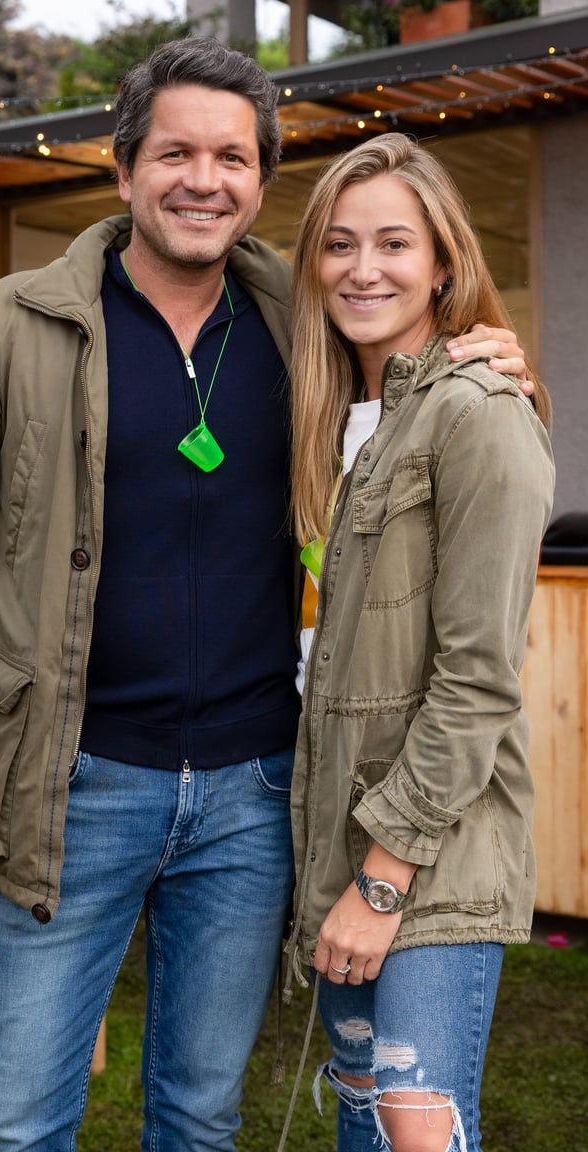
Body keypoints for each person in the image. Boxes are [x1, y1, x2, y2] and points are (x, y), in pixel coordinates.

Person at [0, 38, 531, 1152]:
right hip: (69, 786)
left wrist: (477, 356)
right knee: (18, 1126)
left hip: (255, 795)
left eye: (232, 158)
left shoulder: (303, 323)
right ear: (125, 168)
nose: (202, 180)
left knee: (199, 1119)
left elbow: (413, 375)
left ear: (260, 183)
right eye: (175, 152)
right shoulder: (13, 325)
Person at [283, 132, 554, 1152]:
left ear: (444, 263)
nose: (364, 269)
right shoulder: (325, 421)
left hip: (430, 843)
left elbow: (477, 679)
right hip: (337, 825)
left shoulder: (479, 411)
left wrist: (383, 878)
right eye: (339, 244)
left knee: (414, 1119)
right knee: (364, 1108)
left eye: (395, 243)